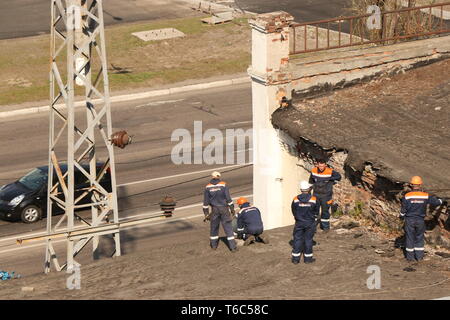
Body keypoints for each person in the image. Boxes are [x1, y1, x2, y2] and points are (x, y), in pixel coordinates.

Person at [400, 176, 444, 262]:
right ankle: (419, 257)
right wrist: (441, 200)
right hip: (420, 220)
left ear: (412, 185)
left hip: (410, 220)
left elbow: (403, 209)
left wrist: (401, 216)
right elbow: (437, 202)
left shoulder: (407, 196)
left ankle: (410, 258)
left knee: (410, 238)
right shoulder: (425, 196)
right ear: (420, 184)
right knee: (419, 237)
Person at [203, 171, 237, 252]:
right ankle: (232, 247)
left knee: (214, 227)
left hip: (214, 209)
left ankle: (214, 245)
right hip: (224, 209)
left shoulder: (207, 187)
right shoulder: (223, 184)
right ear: (219, 176)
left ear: (212, 177)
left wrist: (206, 213)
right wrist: (232, 208)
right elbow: (228, 198)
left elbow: (205, 202)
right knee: (228, 227)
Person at [309, 158, 341, 232]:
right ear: (317, 165)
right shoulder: (313, 171)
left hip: (326, 196)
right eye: (320, 166)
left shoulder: (330, 171)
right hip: (316, 195)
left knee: (325, 211)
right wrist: (309, 193)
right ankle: (312, 227)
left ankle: (325, 227)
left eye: (322, 166)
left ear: (325, 165)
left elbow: (339, 177)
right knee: (314, 211)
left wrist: (330, 178)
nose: (321, 168)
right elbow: (311, 181)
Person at [291, 181, 318, 264]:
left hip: (299, 222)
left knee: (297, 239)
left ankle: (295, 259)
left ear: (301, 189)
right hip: (310, 223)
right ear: (309, 189)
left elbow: (293, 210)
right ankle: (308, 259)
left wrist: (297, 218)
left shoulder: (295, 199)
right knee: (308, 240)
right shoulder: (314, 199)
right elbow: (316, 211)